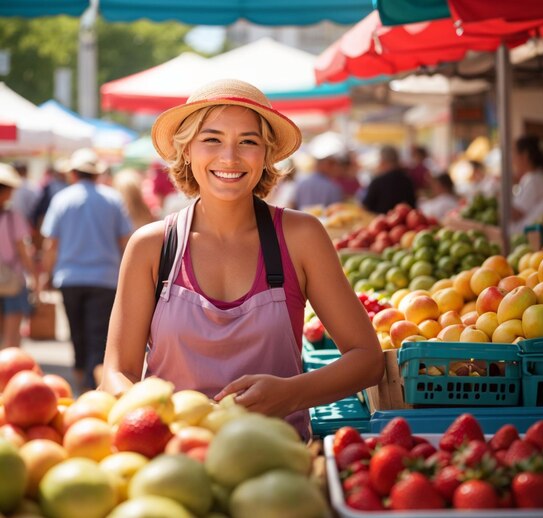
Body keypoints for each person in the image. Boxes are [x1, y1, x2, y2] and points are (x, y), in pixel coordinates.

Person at [99, 79, 383, 441]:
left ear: (266, 155)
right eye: (212, 139)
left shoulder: (301, 237)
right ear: (186, 150)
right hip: (175, 457)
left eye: (248, 141)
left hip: (276, 462)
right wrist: (157, 420)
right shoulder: (151, 246)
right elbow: (116, 373)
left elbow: (368, 359)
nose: (230, 157)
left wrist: (292, 393)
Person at [40, 148, 133, 392]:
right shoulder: (112, 199)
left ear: (73, 173)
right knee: (98, 336)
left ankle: (82, 380)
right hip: (105, 278)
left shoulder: (62, 199)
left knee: (76, 332)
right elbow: (126, 241)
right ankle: (93, 385)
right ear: (96, 174)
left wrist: (44, 276)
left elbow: (51, 244)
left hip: (69, 278)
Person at [0, 164, 37, 348]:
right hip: (13, 281)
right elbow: (24, 254)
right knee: (12, 336)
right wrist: (36, 279)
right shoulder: (13, 218)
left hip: (11, 281)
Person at [510, 136, 543, 235]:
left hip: (528, 240)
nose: (512, 159)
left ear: (525, 156)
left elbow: (516, 214)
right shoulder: (541, 177)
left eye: (514, 153)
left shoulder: (534, 180)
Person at [361, 144, 416, 214]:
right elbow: (413, 207)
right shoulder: (408, 180)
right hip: (403, 223)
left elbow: (366, 207)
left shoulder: (377, 182)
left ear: (383, 161)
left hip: (379, 221)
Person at [293, 141, 345, 211]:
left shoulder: (301, 182)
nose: (336, 167)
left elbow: (294, 205)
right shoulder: (332, 186)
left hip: (301, 220)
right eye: (332, 164)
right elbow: (336, 210)